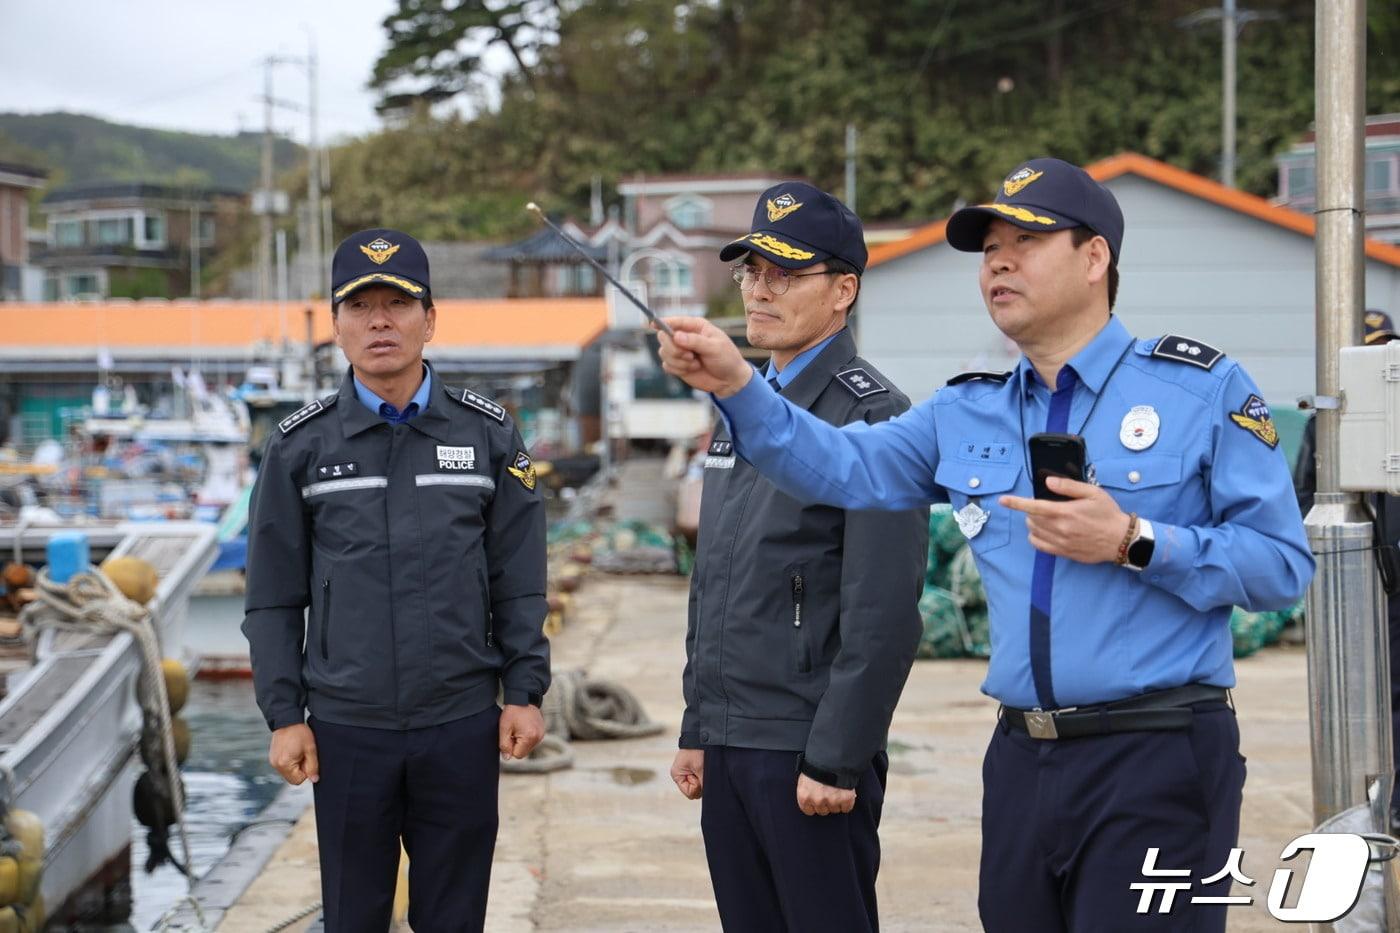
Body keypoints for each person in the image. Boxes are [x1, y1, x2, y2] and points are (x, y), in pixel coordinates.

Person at [655, 158, 1314, 932]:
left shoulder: (1199, 390)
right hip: (1021, 760)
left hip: (1158, 750)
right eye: (988, 247)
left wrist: (1134, 540)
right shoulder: (968, 410)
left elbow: (1282, 566)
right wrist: (740, 388)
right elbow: (838, 466)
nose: (997, 261)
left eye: (1024, 242)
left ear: (1095, 257)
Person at [242, 228, 549, 933]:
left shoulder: (489, 436)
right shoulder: (301, 446)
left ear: (430, 318)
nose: (380, 321)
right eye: (361, 306)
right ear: (337, 325)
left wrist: (525, 691)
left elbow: (520, 578)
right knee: (353, 916)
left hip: (462, 722)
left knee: (454, 916)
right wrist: (284, 713)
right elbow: (273, 597)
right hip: (350, 728)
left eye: (398, 304)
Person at [668, 182, 928, 933]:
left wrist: (837, 756)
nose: (759, 289)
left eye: (784, 273)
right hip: (732, 737)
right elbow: (714, 578)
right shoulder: (738, 412)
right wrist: (700, 721)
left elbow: (883, 612)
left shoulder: (872, 416)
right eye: (751, 271)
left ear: (843, 289)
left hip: (806, 749)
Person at [1294, 309, 1400, 824]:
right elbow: (1303, 495)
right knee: (1358, 697)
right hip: (1353, 577)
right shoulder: (1324, 423)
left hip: (1392, 574)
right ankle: (1373, 807)